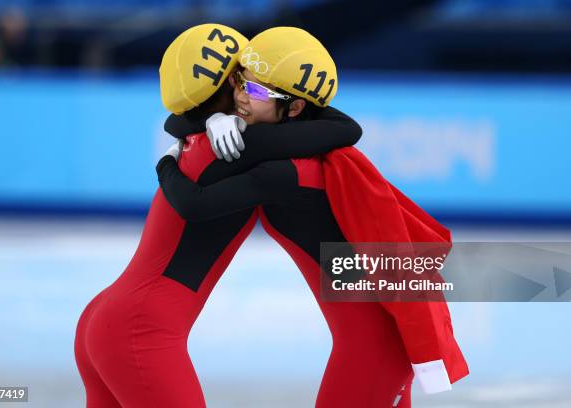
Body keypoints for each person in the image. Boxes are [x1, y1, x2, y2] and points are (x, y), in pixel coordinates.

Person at [158, 27, 469, 407]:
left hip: (373, 349)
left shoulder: (284, 171)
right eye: (241, 82)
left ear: (295, 108)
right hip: (378, 343)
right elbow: (339, 125)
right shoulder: (307, 142)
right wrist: (207, 120)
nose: (239, 96)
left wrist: (169, 159)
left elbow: (195, 200)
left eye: (255, 91)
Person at [74, 24, 362, 408]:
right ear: (228, 83)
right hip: (140, 331)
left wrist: (195, 129)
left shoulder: (198, 139)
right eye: (243, 80)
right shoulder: (238, 147)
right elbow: (345, 128)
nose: (246, 91)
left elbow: (177, 120)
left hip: (104, 318)